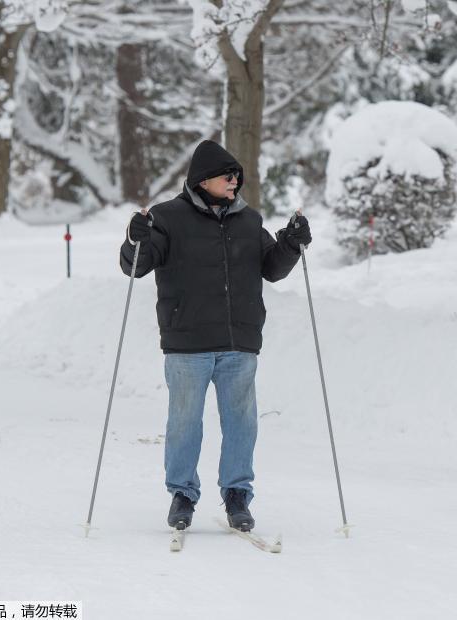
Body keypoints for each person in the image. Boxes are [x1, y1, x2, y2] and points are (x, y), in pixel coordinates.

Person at [119, 139, 311, 532]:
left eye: (237, 175)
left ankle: (237, 494)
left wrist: (291, 244)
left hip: (238, 341)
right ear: (203, 180)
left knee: (242, 422)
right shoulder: (167, 217)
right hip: (187, 341)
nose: (235, 181)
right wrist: (134, 238)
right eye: (228, 175)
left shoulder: (248, 220)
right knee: (185, 422)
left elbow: (272, 269)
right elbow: (136, 266)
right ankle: (183, 494)